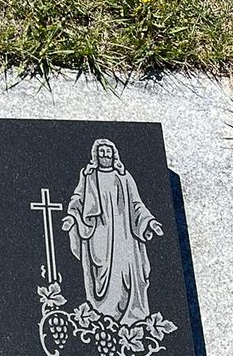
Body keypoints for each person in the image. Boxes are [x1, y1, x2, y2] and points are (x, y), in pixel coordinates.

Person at [61, 139, 163, 325]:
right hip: (99, 233)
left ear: (114, 154)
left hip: (124, 236)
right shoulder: (88, 176)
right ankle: (102, 318)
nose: (105, 156)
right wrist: (72, 216)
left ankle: (131, 320)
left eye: (108, 152)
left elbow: (136, 204)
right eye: (101, 152)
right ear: (95, 155)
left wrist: (150, 222)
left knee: (126, 275)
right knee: (100, 274)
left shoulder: (124, 177)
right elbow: (78, 198)